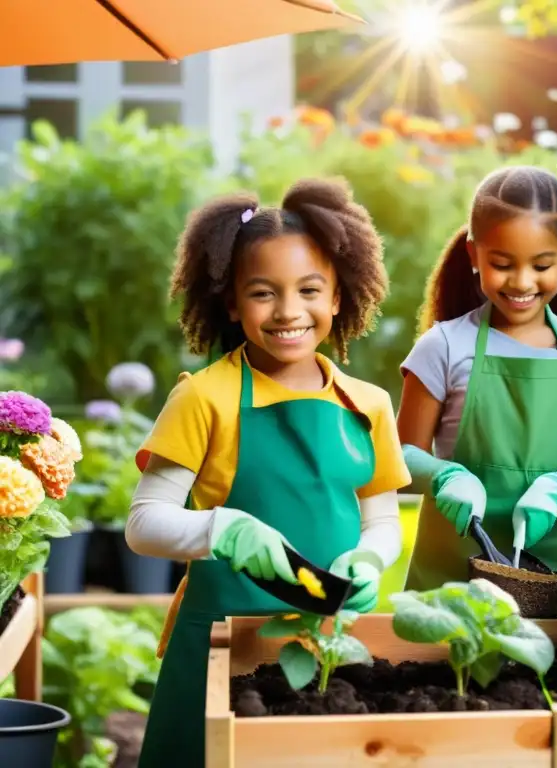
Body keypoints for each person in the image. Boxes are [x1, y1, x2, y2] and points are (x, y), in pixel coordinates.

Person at [126, 178, 411, 767]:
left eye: (310, 289)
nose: (288, 311)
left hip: (325, 645)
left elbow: (383, 518)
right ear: (231, 302)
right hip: (217, 645)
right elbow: (142, 524)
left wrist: (370, 557)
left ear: (339, 297)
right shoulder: (205, 396)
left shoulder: (367, 404)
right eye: (262, 293)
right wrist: (223, 531)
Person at [397, 165, 557, 588]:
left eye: (541, 265)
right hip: (454, 573)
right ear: (474, 255)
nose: (522, 282)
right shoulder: (442, 346)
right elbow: (402, 455)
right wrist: (445, 476)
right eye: (502, 264)